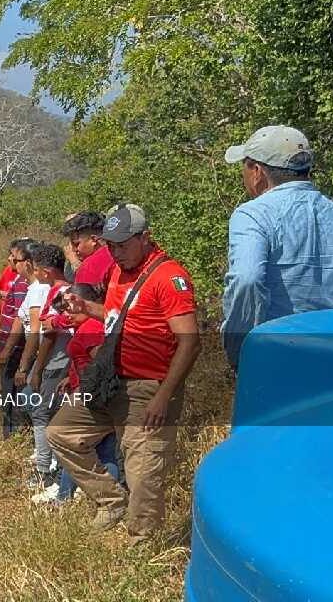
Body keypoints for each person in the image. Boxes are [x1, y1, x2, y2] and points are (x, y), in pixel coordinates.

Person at [48, 204, 201, 543]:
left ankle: (142, 547)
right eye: (111, 245)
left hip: (148, 386)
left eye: (122, 244)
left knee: (142, 470)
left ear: (145, 237)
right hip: (111, 379)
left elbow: (190, 342)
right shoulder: (118, 271)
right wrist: (87, 308)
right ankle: (111, 501)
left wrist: (163, 396)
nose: (116, 252)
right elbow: (120, 317)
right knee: (60, 432)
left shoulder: (168, 277)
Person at [221, 125, 333, 369]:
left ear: (257, 171)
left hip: (277, 360)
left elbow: (246, 280)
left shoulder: (252, 215)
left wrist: (241, 351)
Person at [34, 283, 121, 505]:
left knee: (73, 444)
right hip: (88, 393)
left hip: (92, 397)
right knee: (99, 450)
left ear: (84, 304)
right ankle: (92, 497)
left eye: (69, 309)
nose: (66, 315)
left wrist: (85, 390)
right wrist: (70, 379)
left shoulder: (92, 327)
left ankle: (74, 498)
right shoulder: (89, 326)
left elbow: (101, 365)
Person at [15, 243, 69, 489]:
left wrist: (36, 369)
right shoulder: (63, 290)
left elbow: (48, 335)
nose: (34, 274)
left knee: (42, 413)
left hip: (55, 364)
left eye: (36, 269)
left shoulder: (59, 295)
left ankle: (46, 471)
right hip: (58, 363)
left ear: (46, 271)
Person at [0, 238, 33, 439]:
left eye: (15, 258)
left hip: (15, 348)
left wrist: (7, 350)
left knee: (11, 390)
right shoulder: (18, 280)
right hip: (13, 346)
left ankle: (12, 434)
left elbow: (20, 319)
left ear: (28, 262)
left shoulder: (24, 284)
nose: (10, 260)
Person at [62, 211, 113, 289]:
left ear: (93, 240)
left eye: (76, 244)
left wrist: (76, 265)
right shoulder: (120, 252)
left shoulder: (90, 267)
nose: (73, 250)